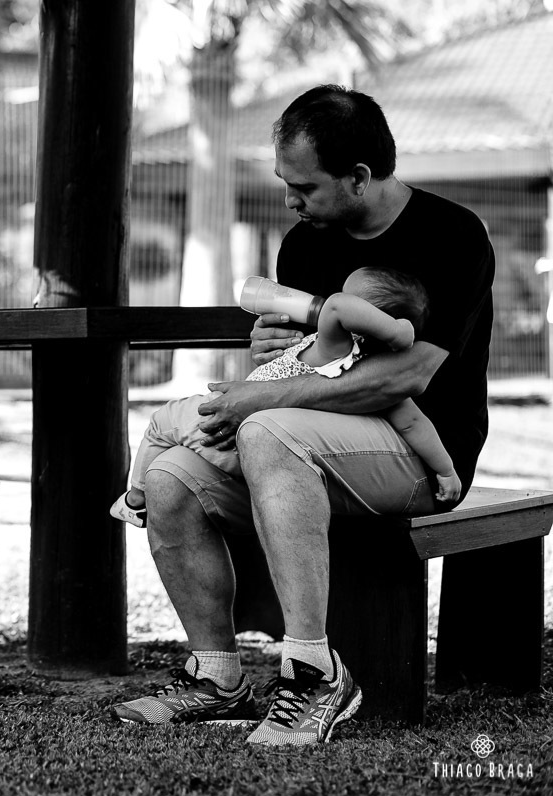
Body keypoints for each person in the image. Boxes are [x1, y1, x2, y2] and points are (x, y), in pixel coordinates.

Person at [111, 85, 494, 746]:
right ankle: (218, 676)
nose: (291, 201)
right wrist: (271, 355)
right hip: (300, 441)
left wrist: (262, 398)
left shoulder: (451, 235)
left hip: (420, 450)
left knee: (267, 425)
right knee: (172, 474)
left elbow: (408, 373)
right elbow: (301, 361)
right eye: (285, 183)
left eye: (306, 187)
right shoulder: (305, 242)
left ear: (360, 177)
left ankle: (315, 673)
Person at [110, 267, 462, 528]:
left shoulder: (334, 346)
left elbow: (337, 307)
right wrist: (446, 471)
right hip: (259, 453)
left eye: (351, 297)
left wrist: (398, 331)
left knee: (162, 421)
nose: (332, 301)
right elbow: (416, 424)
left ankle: (136, 498)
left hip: (235, 439)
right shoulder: (365, 378)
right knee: (177, 446)